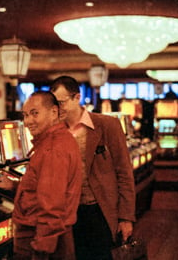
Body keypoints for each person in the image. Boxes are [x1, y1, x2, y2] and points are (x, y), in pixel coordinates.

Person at [50, 76, 136, 260]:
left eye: (62, 102)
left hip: (100, 211)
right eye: (54, 104)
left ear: (77, 97)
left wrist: (126, 217)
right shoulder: (54, 131)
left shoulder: (107, 125)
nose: (58, 108)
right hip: (68, 214)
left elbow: (124, 173)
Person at [11, 91, 83, 260]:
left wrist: (42, 248)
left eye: (35, 113)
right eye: (25, 115)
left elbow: (52, 205)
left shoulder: (53, 147)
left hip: (40, 238)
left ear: (53, 112)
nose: (28, 121)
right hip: (51, 235)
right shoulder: (56, 140)